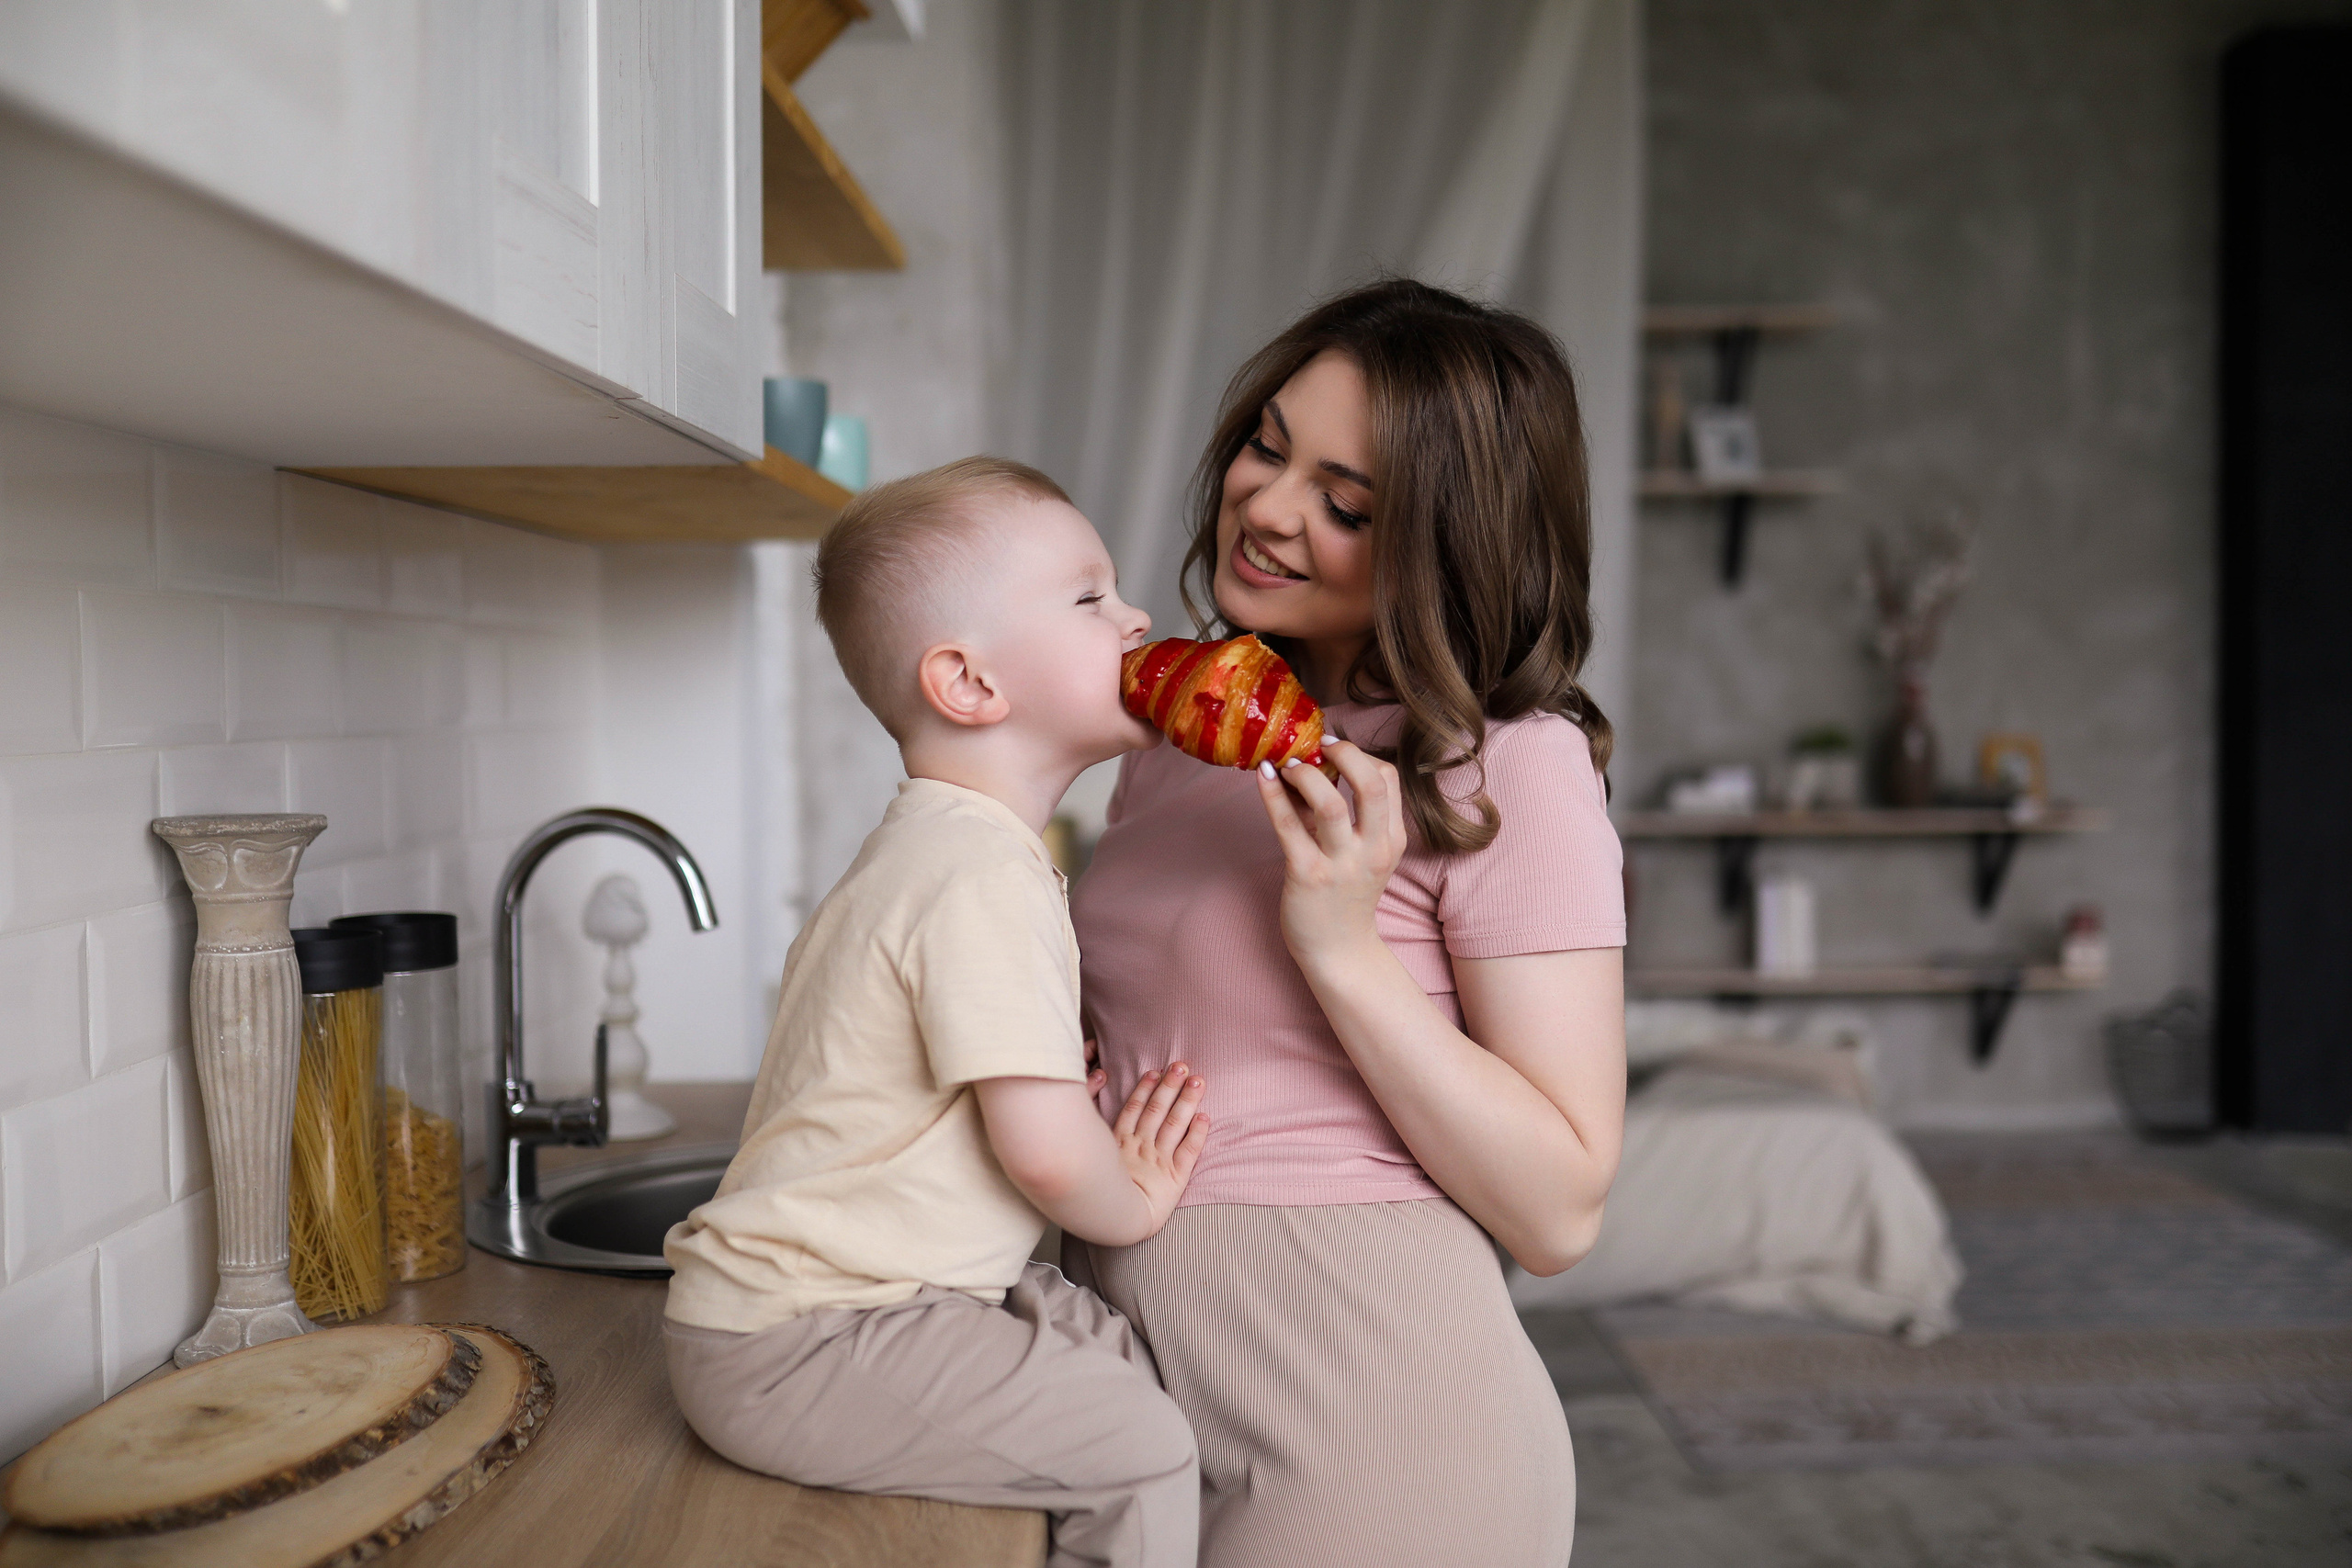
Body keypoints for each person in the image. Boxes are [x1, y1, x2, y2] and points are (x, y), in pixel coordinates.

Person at [1069, 279, 1628, 1567]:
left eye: (1347, 502)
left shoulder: (1506, 764)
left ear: (1447, 541)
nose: (1266, 508)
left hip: (1386, 1432)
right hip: (1143, 1395)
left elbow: (1559, 1210)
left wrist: (1335, 943)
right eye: (1268, 446)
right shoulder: (1186, 725)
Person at [663, 457, 1209, 1568]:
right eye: (1089, 595)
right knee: (1147, 1446)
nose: (1137, 616)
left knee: (1112, 1349)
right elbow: (1050, 1162)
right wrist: (1135, 1197)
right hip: (801, 1340)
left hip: (869, 1307)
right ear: (968, 686)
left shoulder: (954, 848)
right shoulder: (976, 873)